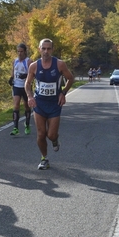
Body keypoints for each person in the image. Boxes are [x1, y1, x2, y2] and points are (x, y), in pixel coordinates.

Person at [25, 38, 75, 170]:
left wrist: (63, 93)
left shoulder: (59, 64)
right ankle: (44, 158)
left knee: (51, 134)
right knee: (41, 134)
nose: (46, 51)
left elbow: (70, 78)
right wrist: (30, 96)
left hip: (54, 104)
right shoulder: (34, 66)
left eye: (49, 48)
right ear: (39, 49)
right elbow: (28, 83)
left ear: (52, 50)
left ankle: (54, 140)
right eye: (43, 48)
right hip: (39, 103)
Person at [10, 43, 32, 135]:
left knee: (27, 106)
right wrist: (11, 78)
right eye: (18, 51)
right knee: (16, 106)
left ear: (25, 52)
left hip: (26, 87)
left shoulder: (29, 61)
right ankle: (15, 128)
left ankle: (27, 124)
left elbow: (33, 74)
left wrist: (26, 75)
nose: (19, 53)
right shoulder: (14, 61)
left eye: (21, 51)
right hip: (17, 86)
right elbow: (13, 72)